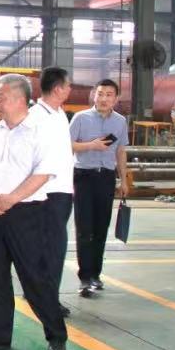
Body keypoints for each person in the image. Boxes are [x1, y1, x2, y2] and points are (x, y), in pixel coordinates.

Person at [0, 74, 68, 350]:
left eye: (0, 97)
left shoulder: (40, 132)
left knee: (35, 278)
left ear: (19, 99)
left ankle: (56, 336)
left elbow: (44, 173)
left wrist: (12, 198)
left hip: (27, 213)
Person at [70, 78, 129, 298]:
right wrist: (91, 145)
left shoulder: (120, 122)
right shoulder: (80, 118)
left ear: (116, 98)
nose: (104, 99)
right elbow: (66, 145)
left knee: (101, 227)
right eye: (100, 94)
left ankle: (95, 275)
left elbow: (120, 151)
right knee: (84, 228)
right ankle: (85, 278)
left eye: (109, 95)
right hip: (83, 177)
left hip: (106, 177)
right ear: (94, 95)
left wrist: (124, 180)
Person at [34, 67, 75, 319]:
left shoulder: (59, 114)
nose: (70, 89)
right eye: (68, 86)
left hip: (63, 189)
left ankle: (44, 294)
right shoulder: (37, 117)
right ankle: (47, 300)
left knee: (54, 247)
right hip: (48, 192)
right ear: (58, 88)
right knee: (51, 248)